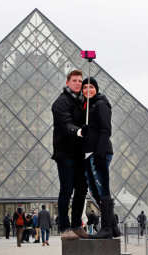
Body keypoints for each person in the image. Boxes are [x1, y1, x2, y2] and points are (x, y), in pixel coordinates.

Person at [51, 69, 89, 240]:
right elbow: (66, 124)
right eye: (74, 80)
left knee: (82, 189)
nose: (77, 83)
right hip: (65, 153)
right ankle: (64, 227)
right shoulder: (60, 103)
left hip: (79, 153)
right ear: (67, 82)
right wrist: (79, 131)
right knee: (66, 190)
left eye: (80, 81)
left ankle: (76, 225)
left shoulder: (83, 102)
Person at [81, 77, 120, 239]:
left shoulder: (101, 104)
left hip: (100, 153)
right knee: (94, 189)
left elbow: (106, 129)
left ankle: (107, 229)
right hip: (90, 154)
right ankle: (113, 226)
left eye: (91, 87)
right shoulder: (89, 106)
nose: (87, 90)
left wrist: (100, 152)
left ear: (96, 88)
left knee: (102, 188)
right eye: (84, 88)